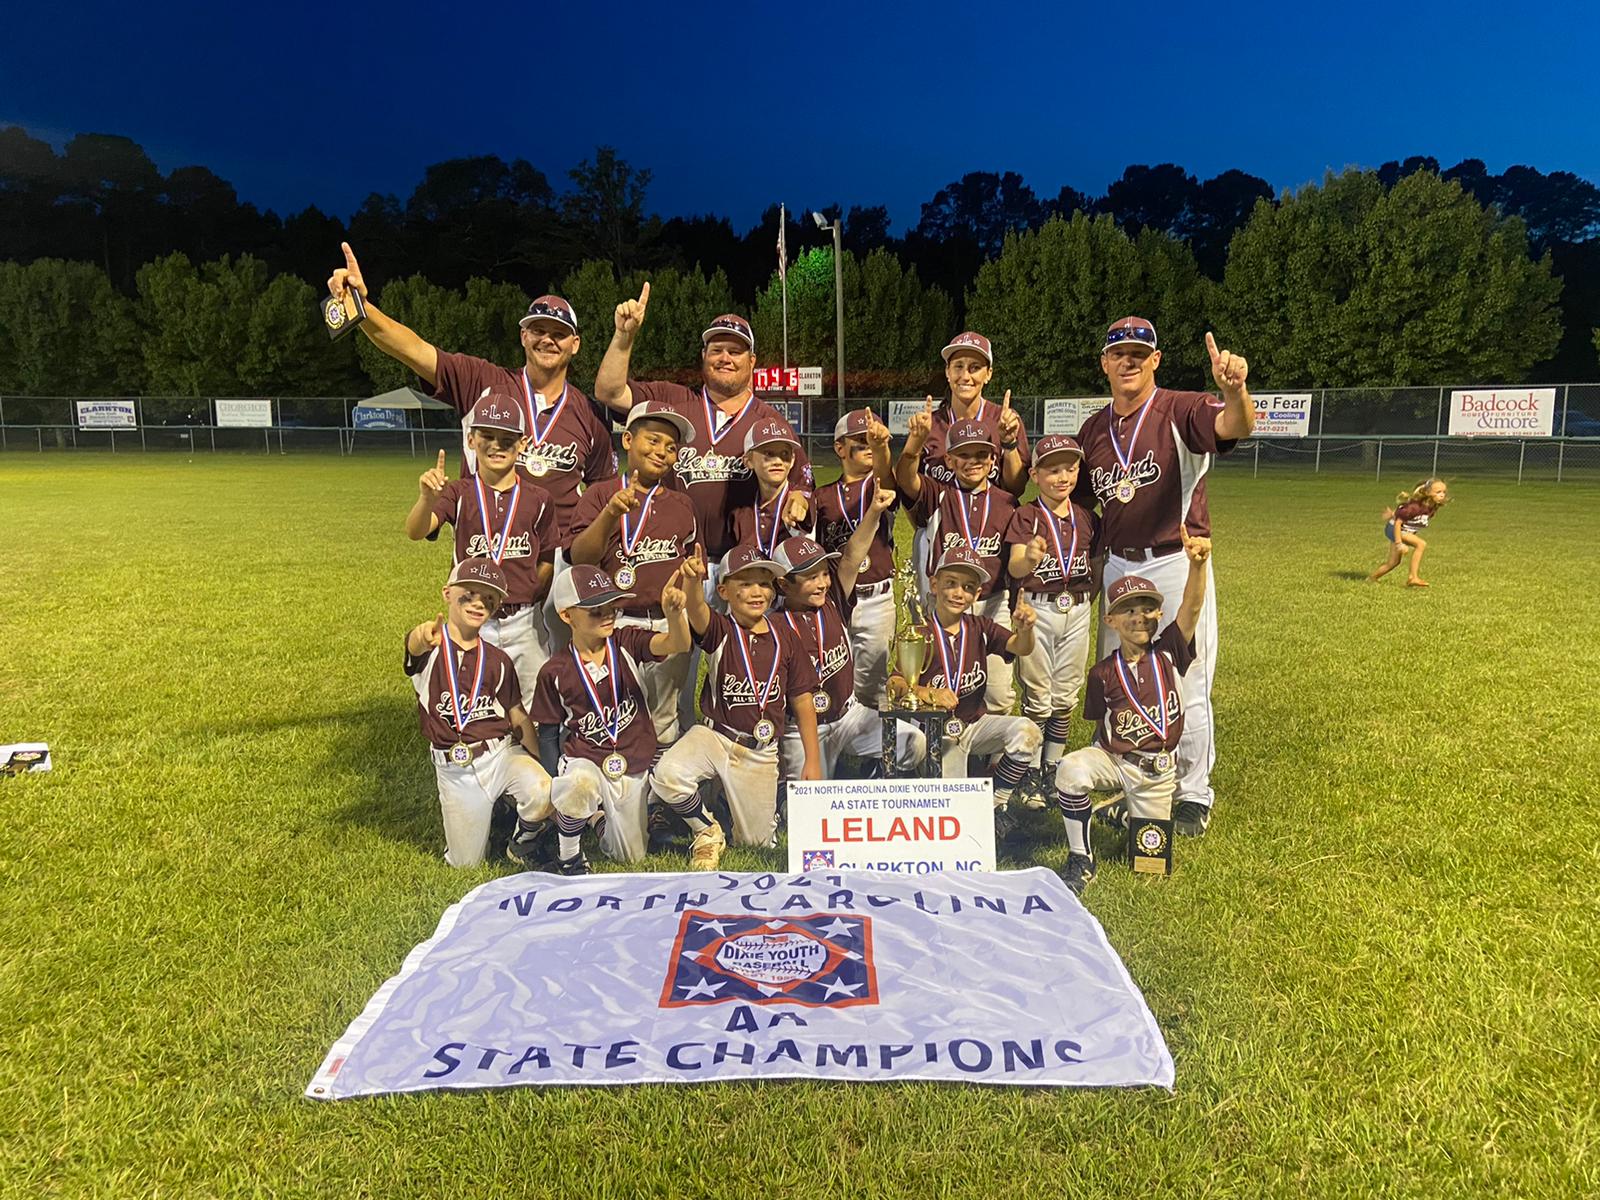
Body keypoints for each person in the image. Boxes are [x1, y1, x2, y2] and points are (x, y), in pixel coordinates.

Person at [1074, 317, 1254, 839]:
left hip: (1176, 560)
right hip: (1118, 564)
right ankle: (1133, 782)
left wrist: (1235, 391)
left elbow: (1235, 426)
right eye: (1118, 354)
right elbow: (1083, 507)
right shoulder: (1093, 430)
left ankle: (1194, 792)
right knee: (1122, 679)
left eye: (1139, 353)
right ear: (1104, 363)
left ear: (1155, 360)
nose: (1128, 362)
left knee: (1185, 679)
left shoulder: (1182, 407)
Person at [327, 243, 615, 539]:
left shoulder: (589, 413)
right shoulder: (480, 381)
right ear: (523, 336)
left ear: (575, 344)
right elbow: (412, 350)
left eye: (558, 334)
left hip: (560, 560)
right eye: (538, 331)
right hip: (484, 555)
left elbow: (603, 492)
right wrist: (361, 308)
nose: (548, 340)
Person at [593, 287, 813, 559]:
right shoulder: (671, 399)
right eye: (717, 350)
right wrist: (624, 337)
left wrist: (800, 497)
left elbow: (803, 483)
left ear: (752, 361)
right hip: (674, 559)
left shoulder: (771, 422)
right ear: (704, 356)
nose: (725, 358)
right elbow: (609, 392)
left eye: (735, 351)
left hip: (745, 567)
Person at [1053, 532, 1212, 895]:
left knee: (1150, 866)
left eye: (1146, 608)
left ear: (1158, 613)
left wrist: (1198, 566)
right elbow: (1099, 724)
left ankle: (1121, 812)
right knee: (1071, 770)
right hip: (1116, 760)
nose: (1138, 617)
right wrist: (1102, 761)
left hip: (1156, 772)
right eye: (1128, 609)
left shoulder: (1169, 649)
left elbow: (1192, 607)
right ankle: (1081, 858)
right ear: (1110, 620)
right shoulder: (1102, 673)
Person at [649, 545, 824, 870]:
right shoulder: (720, 630)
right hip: (716, 738)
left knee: (757, 843)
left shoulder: (785, 636)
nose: (757, 592)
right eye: (745, 584)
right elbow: (698, 610)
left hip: (759, 751)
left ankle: (722, 802)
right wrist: (692, 581)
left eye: (764, 583)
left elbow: (802, 698)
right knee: (667, 775)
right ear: (724, 590)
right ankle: (707, 828)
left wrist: (812, 759)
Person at [517, 564, 694, 870]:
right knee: (577, 785)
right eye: (595, 610)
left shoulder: (626, 642)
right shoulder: (555, 670)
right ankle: (569, 856)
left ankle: (595, 820)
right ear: (566, 615)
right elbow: (548, 732)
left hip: (631, 760)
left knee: (629, 855)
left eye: (611, 605)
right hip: (585, 757)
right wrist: (553, 782)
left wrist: (675, 615)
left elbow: (677, 644)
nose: (607, 614)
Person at [402, 558, 557, 869]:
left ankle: (523, 841)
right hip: (455, 769)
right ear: (447, 593)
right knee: (465, 865)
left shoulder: (498, 659)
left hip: (499, 755)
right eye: (469, 594)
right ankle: (497, 813)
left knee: (543, 792)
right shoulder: (432, 648)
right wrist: (420, 636)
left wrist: (538, 766)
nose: (477, 603)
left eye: (488, 598)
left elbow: (518, 716)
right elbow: (413, 647)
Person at [405, 393, 559, 695]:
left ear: (523, 443)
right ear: (471, 439)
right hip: (473, 619)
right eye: (487, 436)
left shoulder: (539, 499)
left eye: (507, 438)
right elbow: (416, 530)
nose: (497, 445)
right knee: (474, 695)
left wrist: (526, 596)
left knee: (532, 700)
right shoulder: (459, 492)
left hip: (523, 621)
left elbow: (547, 559)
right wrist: (426, 499)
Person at [566, 401, 701, 741]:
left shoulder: (682, 503)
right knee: (616, 712)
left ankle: (661, 790)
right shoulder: (600, 494)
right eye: (653, 440)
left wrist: (691, 577)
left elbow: (687, 560)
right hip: (614, 621)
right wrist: (610, 514)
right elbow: (580, 558)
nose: (662, 452)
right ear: (628, 440)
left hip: (665, 619)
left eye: (671, 447)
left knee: (664, 717)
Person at [886, 546, 1041, 834]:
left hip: (973, 724)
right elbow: (894, 684)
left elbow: (1020, 648)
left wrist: (1026, 629)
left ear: (977, 594)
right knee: (953, 808)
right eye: (951, 584)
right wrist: (928, 693)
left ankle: (996, 803)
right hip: (937, 733)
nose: (959, 593)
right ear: (934, 585)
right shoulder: (919, 633)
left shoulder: (980, 626)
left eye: (968, 587)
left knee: (1027, 732)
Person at [770, 526, 927, 780]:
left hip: (849, 716)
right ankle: (783, 790)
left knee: (912, 741)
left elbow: (852, 557)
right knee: (806, 805)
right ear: (783, 584)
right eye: (810, 578)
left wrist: (875, 512)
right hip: (802, 729)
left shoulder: (833, 600)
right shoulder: (774, 627)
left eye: (824, 574)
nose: (822, 583)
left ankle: (872, 782)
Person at [894, 417, 1020, 714]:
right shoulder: (936, 494)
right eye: (963, 454)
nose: (972, 461)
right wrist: (914, 443)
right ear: (949, 460)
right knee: (938, 681)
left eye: (981, 454)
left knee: (999, 695)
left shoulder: (1007, 502)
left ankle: (989, 759)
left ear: (993, 459)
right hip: (944, 603)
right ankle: (939, 749)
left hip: (990, 602)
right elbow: (905, 478)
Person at [1006, 434, 1099, 800]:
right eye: (1053, 470)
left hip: (1075, 607)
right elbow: (1015, 568)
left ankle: (1052, 768)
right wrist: (1030, 557)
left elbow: (1096, 566)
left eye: (1070, 469)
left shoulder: (1086, 518)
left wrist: (1084, 604)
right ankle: (1029, 771)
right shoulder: (1026, 516)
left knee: (1065, 695)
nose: (1063, 477)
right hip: (1039, 608)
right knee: (1038, 694)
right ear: (1034, 474)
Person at [812, 408, 899, 708]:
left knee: (873, 687)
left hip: (877, 600)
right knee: (833, 678)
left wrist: (882, 448)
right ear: (840, 447)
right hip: (835, 598)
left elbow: (886, 473)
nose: (867, 448)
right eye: (860, 442)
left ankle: (873, 753)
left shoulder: (882, 485)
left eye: (871, 443)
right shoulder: (821, 496)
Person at [731, 416, 815, 553]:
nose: (778, 461)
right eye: (768, 454)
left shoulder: (798, 499)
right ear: (748, 461)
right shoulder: (741, 513)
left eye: (785, 454)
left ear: (793, 460)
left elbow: (808, 503)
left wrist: (803, 502)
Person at [1370, 478, 1450, 587]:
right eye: (1438, 492)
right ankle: (1413, 577)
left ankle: (1371, 579)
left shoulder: (1432, 507)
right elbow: (1398, 522)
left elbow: (1405, 515)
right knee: (1421, 544)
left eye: (1443, 492)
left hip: (1403, 530)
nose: (1442, 495)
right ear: (1427, 493)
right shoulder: (1416, 507)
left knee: (1393, 563)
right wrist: (1399, 544)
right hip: (1395, 528)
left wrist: (1393, 513)